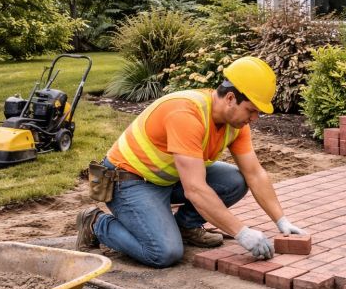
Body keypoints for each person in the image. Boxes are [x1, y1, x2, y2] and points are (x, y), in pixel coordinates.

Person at [75, 56, 304, 268]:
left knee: (236, 180)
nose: (254, 118)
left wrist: (281, 221)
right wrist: (242, 233)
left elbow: (255, 173)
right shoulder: (186, 114)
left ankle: (186, 227)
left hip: (168, 179)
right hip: (128, 181)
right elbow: (195, 189)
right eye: (251, 110)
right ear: (230, 98)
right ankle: (95, 223)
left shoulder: (236, 125)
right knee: (164, 252)